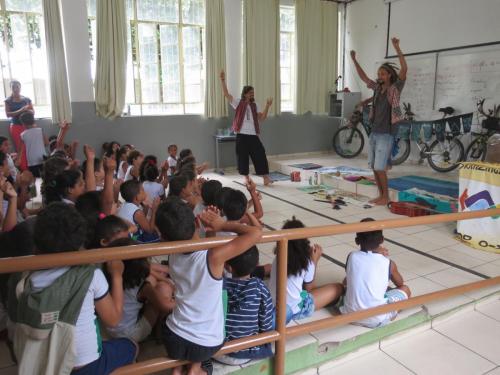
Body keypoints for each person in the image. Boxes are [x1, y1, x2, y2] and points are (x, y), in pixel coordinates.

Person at [11, 203, 137, 374]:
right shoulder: (91, 275)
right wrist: (116, 276)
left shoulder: (24, 275)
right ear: (79, 240)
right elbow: (113, 319)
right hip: (85, 366)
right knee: (130, 346)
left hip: (39, 362)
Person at [155, 197, 261, 375]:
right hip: (206, 343)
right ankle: (196, 370)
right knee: (203, 359)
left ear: (165, 238)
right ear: (197, 221)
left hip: (173, 336)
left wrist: (211, 229)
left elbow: (203, 251)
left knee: (185, 347)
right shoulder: (214, 258)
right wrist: (222, 225)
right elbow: (256, 233)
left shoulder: (173, 256)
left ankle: (178, 368)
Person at [350, 37, 407, 205]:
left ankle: (386, 196)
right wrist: (354, 60)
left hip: (386, 133)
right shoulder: (377, 88)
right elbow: (363, 77)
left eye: (382, 73)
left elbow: (404, 69)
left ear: (389, 75)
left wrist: (397, 47)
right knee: (375, 167)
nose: (379, 76)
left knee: (380, 167)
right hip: (375, 132)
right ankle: (381, 195)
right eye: (378, 74)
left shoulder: (395, 88)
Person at [269, 217, 344, 324]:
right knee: (338, 288)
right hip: (295, 309)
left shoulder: (278, 256)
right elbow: (309, 289)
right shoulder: (306, 261)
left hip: (273, 305)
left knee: (303, 289)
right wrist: (315, 261)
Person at [340, 218, 411, 328]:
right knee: (406, 289)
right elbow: (400, 283)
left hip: (348, 314)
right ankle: (389, 315)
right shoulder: (388, 263)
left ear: (356, 241)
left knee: (347, 282)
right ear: (382, 240)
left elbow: (348, 278)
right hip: (376, 320)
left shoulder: (351, 256)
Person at [104, 237, 176, 344]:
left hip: (110, 330)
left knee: (153, 282)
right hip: (130, 335)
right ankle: (159, 329)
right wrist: (185, 300)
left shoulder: (109, 276)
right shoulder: (142, 286)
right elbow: (165, 306)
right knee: (163, 290)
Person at [216, 245, 274, 365]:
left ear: (228, 267)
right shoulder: (260, 288)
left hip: (218, 350)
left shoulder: (218, 286)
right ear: (257, 264)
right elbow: (266, 325)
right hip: (246, 353)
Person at [219, 70, 274, 186]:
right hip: (241, 135)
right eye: (250, 93)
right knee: (242, 157)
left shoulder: (255, 105)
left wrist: (267, 106)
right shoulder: (238, 102)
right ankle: (246, 177)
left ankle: (265, 177)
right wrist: (223, 80)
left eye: (253, 93)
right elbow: (226, 94)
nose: (252, 94)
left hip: (253, 135)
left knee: (260, 154)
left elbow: (262, 118)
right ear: (245, 94)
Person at [4, 80, 32, 171]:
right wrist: (21, 110)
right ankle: (24, 170)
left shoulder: (26, 99)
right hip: (16, 127)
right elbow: (8, 114)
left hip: (27, 126)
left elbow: (32, 112)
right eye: (13, 87)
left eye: (17, 87)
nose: (16, 89)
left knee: (29, 147)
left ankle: (32, 169)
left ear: (20, 87)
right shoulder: (8, 101)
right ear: (11, 88)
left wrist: (27, 110)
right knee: (21, 149)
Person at [19, 112, 48, 178]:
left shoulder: (22, 134)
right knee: (45, 177)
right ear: (33, 121)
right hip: (43, 159)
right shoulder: (40, 130)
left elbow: (20, 149)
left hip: (31, 161)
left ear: (23, 124)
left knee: (36, 179)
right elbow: (47, 143)